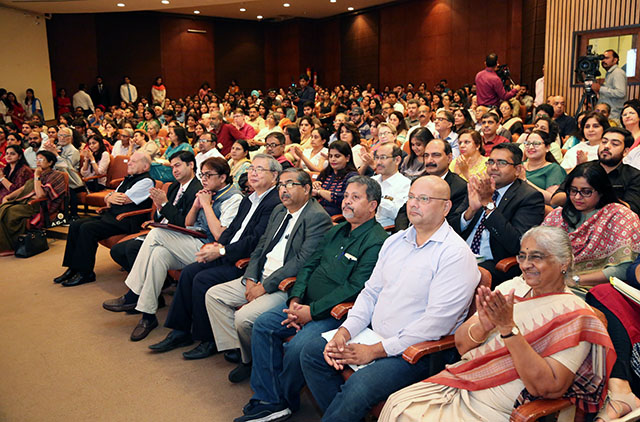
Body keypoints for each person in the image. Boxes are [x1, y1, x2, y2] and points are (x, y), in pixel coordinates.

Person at [380, 226, 615, 422]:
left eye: (537, 257)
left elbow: (549, 387)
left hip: (504, 401)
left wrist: (508, 330)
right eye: (523, 256)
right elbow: (462, 347)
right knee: (399, 404)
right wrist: (482, 326)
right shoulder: (511, 288)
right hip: (463, 382)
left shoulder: (577, 315)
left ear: (564, 262)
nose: (525, 264)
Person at [299, 175, 480, 422]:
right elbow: (371, 292)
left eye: (424, 199)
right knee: (312, 352)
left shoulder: (455, 255)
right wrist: (345, 331)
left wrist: (375, 351)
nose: (414, 204)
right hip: (373, 333)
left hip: (414, 352)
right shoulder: (396, 240)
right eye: (411, 197)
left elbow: (437, 323)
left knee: (359, 386)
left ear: (446, 207)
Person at [235, 176, 389, 422]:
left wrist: (311, 311)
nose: (347, 202)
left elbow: (355, 288)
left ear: (373, 206)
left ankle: (282, 401)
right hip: (303, 303)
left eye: (355, 198)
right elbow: (309, 265)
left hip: (334, 313)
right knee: (263, 325)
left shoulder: (378, 241)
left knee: (299, 347)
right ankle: (270, 399)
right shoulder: (337, 229)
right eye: (346, 196)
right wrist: (296, 298)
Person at [206, 168, 332, 383]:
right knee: (214, 295)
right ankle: (243, 353)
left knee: (243, 318)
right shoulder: (278, 211)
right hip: (260, 277)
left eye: (290, 184)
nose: (284, 190)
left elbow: (302, 261)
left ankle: (249, 361)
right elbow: (261, 247)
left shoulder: (317, 218)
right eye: (281, 185)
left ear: (307, 189)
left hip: (283, 285)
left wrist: (263, 287)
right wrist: (251, 277)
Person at [149, 155, 282, 359]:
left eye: (259, 170)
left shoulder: (274, 203)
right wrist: (216, 246)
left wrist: (221, 251)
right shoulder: (250, 199)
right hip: (228, 251)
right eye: (251, 169)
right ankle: (181, 332)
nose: (252, 173)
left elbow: (254, 242)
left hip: (243, 260)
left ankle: (208, 339)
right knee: (190, 271)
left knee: (202, 279)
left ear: (274, 176)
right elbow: (232, 231)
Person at [104, 157, 242, 341]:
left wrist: (207, 205)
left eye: (208, 175)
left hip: (211, 248)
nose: (204, 179)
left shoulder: (234, 198)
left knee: (156, 235)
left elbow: (219, 235)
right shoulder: (207, 192)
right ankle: (148, 316)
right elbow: (188, 223)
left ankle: (134, 292)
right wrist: (196, 206)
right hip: (194, 238)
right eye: (203, 175)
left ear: (223, 177)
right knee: (158, 255)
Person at [55, 152, 155, 287]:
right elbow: (113, 196)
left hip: (127, 221)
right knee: (76, 225)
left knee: (87, 229)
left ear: (145, 166)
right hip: (113, 217)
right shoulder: (129, 178)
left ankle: (86, 273)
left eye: (134, 161)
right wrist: (109, 197)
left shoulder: (146, 181)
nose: (129, 163)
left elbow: (122, 199)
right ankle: (73, 267)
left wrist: (110, 197)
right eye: (129, 161)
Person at [451, 143, 545, 285]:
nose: (494, 167)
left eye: (502, 163)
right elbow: (451, 228)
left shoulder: (529, 197)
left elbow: (517, 244)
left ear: (518, 169)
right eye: (491, 162)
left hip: (494, 262)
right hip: (461, 253)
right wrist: (471, 211)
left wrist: (489, 204)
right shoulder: (479, 186)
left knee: (455, 276)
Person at [543, 162, 640, 293]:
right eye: (573, 191)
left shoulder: (620, 217)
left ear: (601, 191)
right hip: (547, 280)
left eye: (586, 192)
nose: (577, 197)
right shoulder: (557, 216)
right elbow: (537, 252)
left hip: (588, 289)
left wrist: (574, 280)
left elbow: (623, 270)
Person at [109, 151, 202, 273]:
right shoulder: (174, 186)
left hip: (178, 236)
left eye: (178, 165)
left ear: (191, 165)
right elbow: (160, 218)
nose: (174, 170)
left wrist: (164, 204)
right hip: (161, 229)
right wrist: (159, 207)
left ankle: (150, 286)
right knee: (117, 250)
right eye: (172, 167)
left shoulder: (197, 190)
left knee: (132, 248)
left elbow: (184, 223)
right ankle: (158, 282)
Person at [554, 127, 640, 215]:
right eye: (604, 142)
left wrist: (601, 194)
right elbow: (556, 199)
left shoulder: (635, 176)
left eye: (614, 144)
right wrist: (581, 194)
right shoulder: (584, 169)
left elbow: (632, 210)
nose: (607, 146)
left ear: (625, 151)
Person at [396, 138, 468, 231]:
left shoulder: (459, 187)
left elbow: (452, 223)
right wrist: (403, 233)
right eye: (426, 156)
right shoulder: (418, 181)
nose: (429, 160)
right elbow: (403, 213)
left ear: (449, 158)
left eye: (436, 155)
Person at [0, 151, 66, 253]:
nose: (38, 162)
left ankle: (10, 246)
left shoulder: (56, 175)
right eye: (37, 159)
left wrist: (37, 177)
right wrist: (8, 197)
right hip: (25, 202)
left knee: (10, 212)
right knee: (3, 209)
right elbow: (23, 189)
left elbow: (40, 195)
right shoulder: (38, 173)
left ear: (50, 162)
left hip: (38, 206)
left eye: (41, 159)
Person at [44, 127, 84, 219]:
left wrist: (56, 154)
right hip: (56, 177)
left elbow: (67, 166)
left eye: (65, 136)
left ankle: (72, 214)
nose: (62, 138)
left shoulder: (73, 151)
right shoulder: (57, 147)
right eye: (60, 135)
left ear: (70, 137)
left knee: (69, 189)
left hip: (71, 179)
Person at [313, 140, 358, 216]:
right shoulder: (325, 173)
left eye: (337, 156)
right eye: (330, 156)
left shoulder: (352, 177)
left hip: (334, 215)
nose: (333, 159)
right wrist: (314, 185)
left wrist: (320, 192)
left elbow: (342, 198)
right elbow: (314, 192)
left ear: (347, 158)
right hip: (316, 210)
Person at [371, 143, 411, 228]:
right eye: (377, 157)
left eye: (383, 158)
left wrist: (377, 201)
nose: (378, 162)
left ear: (397, 160)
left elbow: (399, 214)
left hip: (384, 231)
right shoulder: (372, 180)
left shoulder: (405, 184)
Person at [521, 130, 566, 204]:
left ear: (547, 147)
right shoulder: (519, 166)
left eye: (536, 144)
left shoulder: (553, 169)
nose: (531, 147)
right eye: (527, 143)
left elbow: (552, 200)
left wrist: (525, 181)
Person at [593, 49, 628, 123]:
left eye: (607, 58)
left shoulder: (617, 72)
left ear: (615, 60)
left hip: (613, 116)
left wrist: (600, 89)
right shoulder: (610, 74)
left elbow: (621, 93)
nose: (603, 61)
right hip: (607, 115)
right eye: (602, 58)